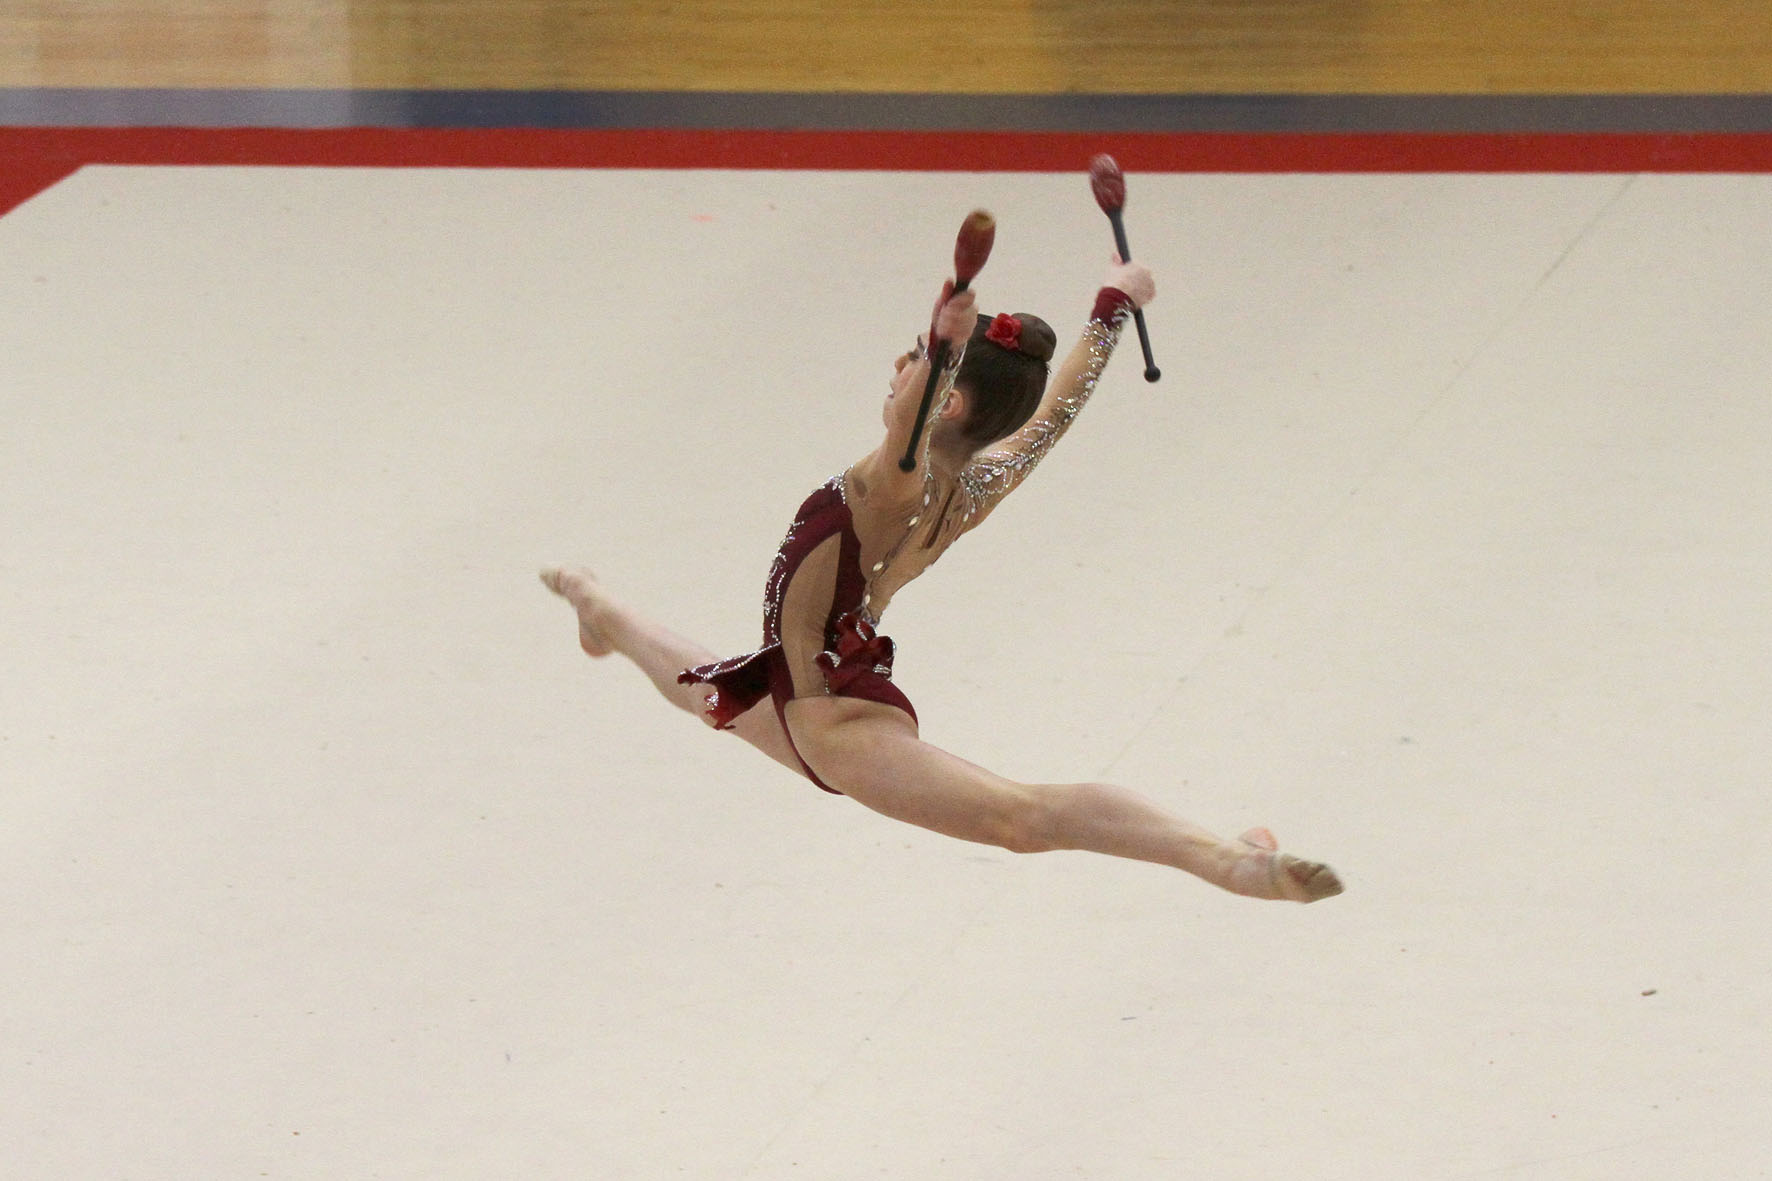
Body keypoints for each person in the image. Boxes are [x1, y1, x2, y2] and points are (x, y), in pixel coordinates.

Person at [543, 247, 1342, 903]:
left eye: (916, 361)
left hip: (837, 720)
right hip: (801, 683)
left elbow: (908, 423)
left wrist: (945, 337)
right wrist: (1110, 309)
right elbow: (1053, 415)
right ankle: (600, 611)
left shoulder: (891, 486)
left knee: (1020, 819)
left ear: (947, 402)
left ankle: (1225, 860)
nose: (899, 365)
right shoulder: (975, 486)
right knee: (705, 690)